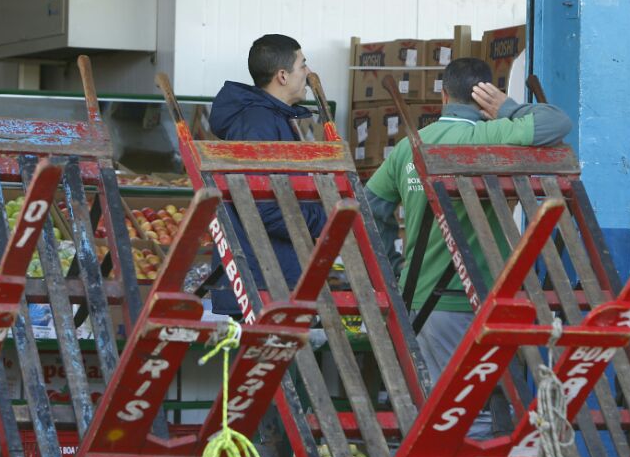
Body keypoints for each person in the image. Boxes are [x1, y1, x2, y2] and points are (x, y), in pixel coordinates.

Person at [364, 57, 573, 431]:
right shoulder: (495, 136)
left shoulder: (409, 148)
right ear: (485, 98)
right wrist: (507, 108)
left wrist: (395, 271)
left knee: (446, 411)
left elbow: (370, 211)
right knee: (487, 408)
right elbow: (558, 122)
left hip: (427, 302)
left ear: (442, 94)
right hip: (493, 300)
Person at [207, 34, 326, 313]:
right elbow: (260, 208)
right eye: (303, 65)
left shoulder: (272, 119)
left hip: (272, 274)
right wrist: (324, 219)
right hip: (262, 279)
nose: (308, 74)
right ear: (282, 76)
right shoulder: (257, 125)